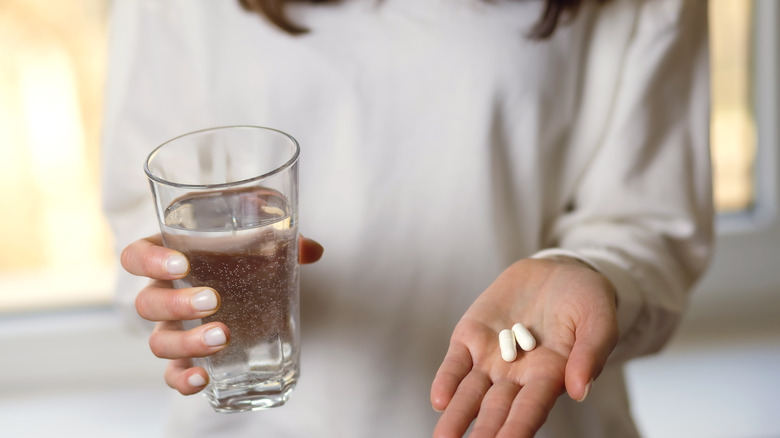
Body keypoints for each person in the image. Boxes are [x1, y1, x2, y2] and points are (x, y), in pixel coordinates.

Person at [102, 0, 713, 436]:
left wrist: (588, 271)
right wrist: (173, 294)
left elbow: (650, 221)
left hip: (528, 415)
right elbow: (143, 210)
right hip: (255, 419)